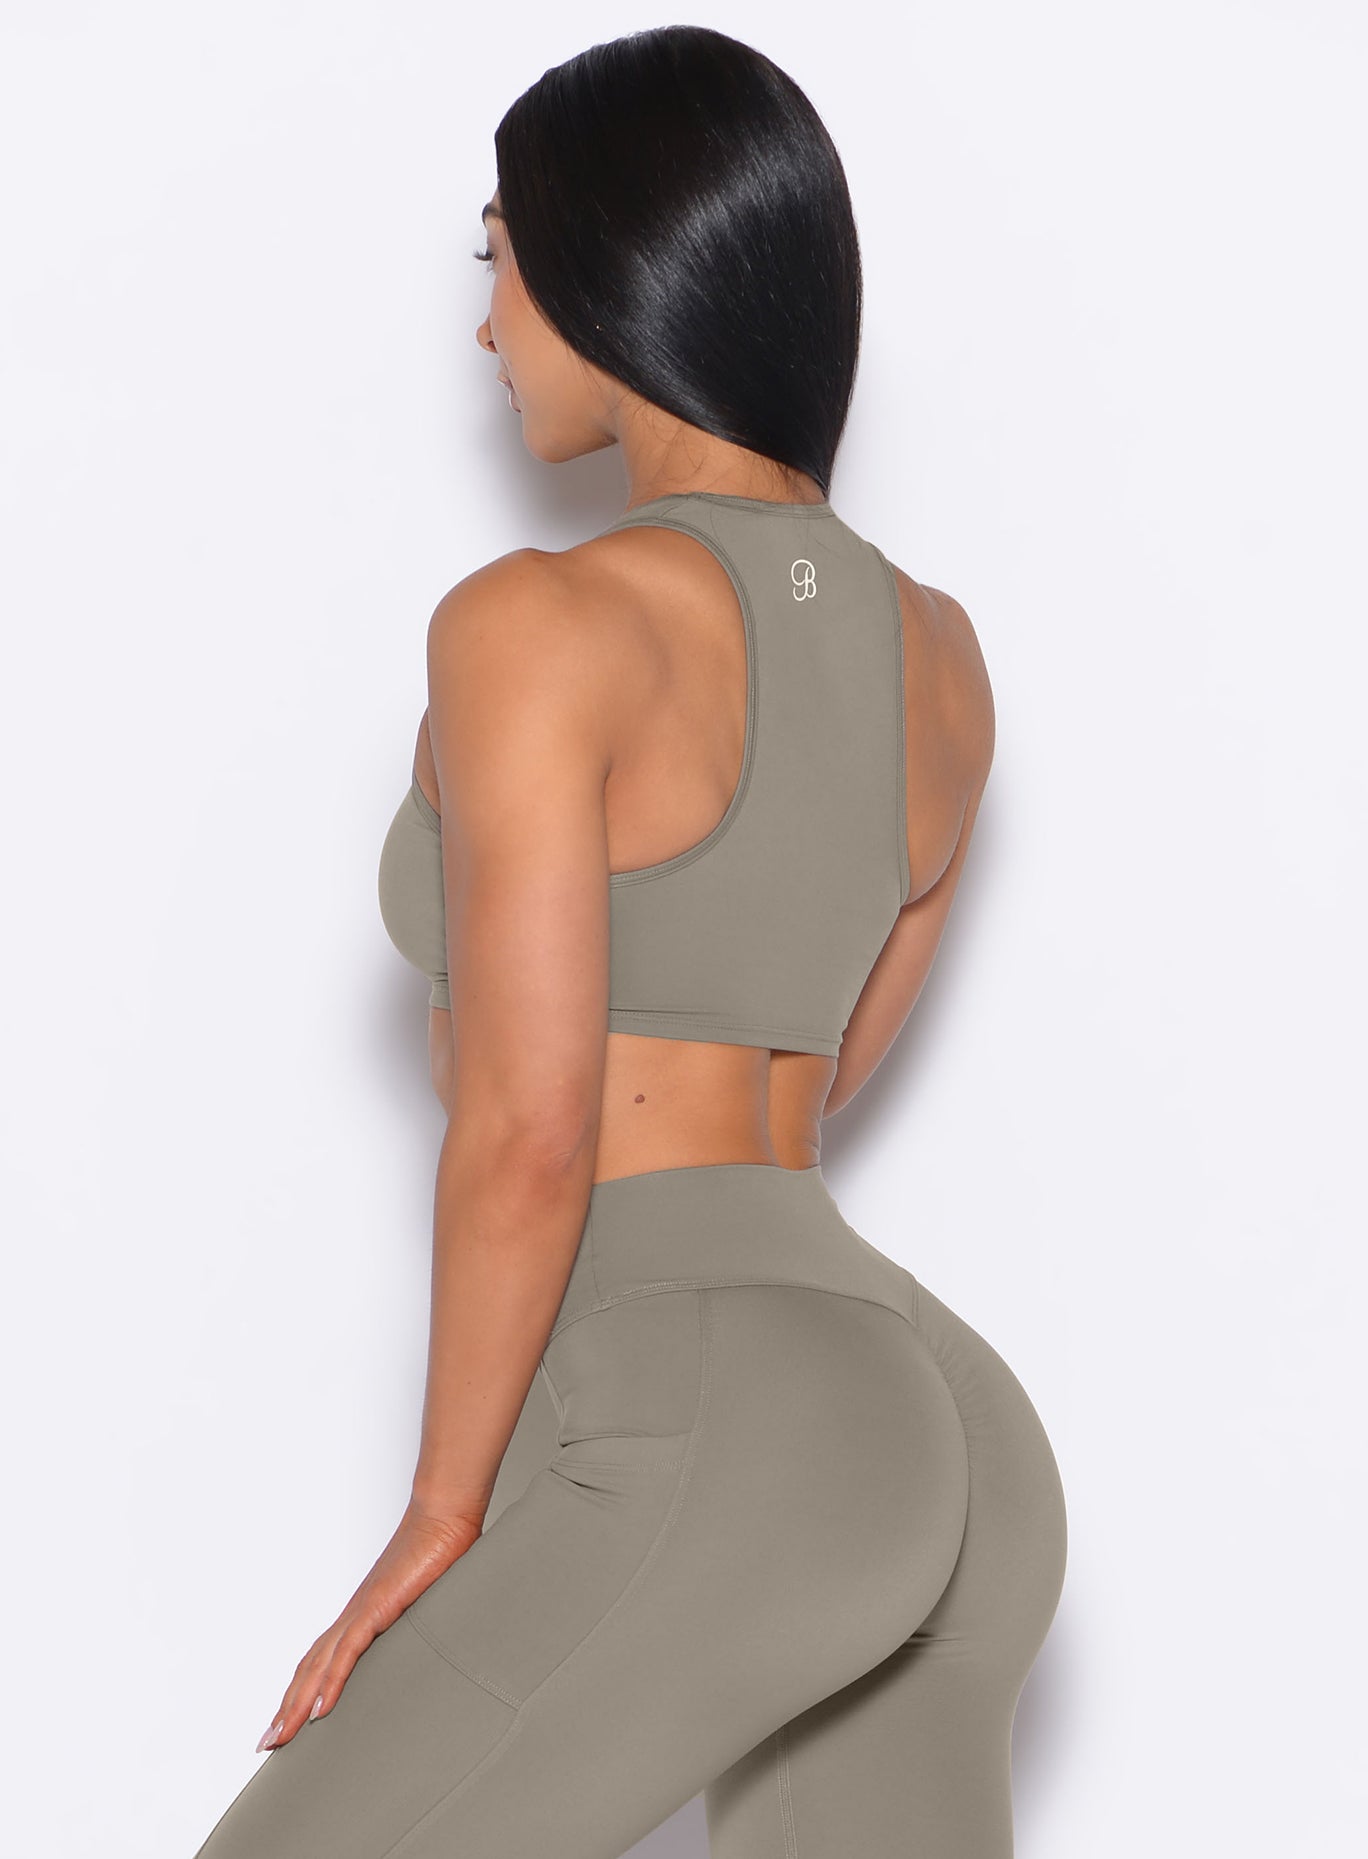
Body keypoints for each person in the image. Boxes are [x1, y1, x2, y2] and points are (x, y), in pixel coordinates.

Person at [192, 24, 1067, 1859]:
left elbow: (533, 1128)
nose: (483, 324)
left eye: (499, 257)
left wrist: (443, 1514)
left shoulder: (541, 624)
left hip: (709, 1407)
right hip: (933, 1428)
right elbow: (814, 1081)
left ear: (609, 259)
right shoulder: (943, 653)